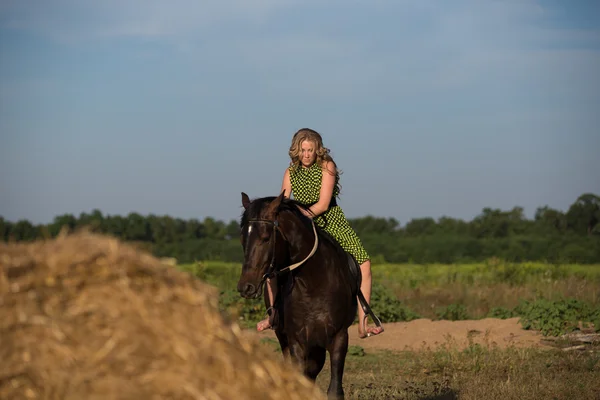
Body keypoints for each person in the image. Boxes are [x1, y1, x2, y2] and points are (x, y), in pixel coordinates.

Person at [256, 128, 384, 339]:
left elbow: (323, 204)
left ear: (318, 150)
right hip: (300, 222)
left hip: (330, 221)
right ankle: (273, 316)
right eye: (302, 150)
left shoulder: (327, 166)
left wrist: (300, 218)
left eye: (310, 150)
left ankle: (363, 324)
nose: (306, 155)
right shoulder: (290, 172)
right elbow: (285, 202)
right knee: (272, 261)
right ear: (296, 150)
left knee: (364, 262)